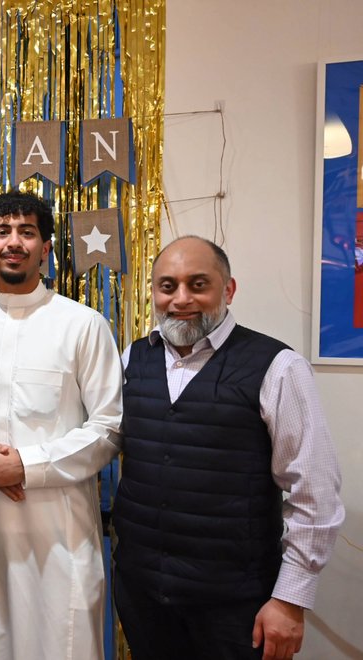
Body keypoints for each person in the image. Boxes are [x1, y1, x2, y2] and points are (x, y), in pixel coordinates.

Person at [112, 236, 345, 660]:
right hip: (143, 595)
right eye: (168, 286)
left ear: (229, 289)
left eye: (198, 284)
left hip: (236, 606)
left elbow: (315, 493)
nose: (181, 299)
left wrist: (290, 600)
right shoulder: (132, 359)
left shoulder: (278, 367)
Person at [0, 191, 124, 660]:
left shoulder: (83, 325)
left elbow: (108, 427)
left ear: (46, 247)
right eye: (2, 232)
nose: (14, 242)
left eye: (27, 232)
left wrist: (26, 465)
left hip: (57, 529)